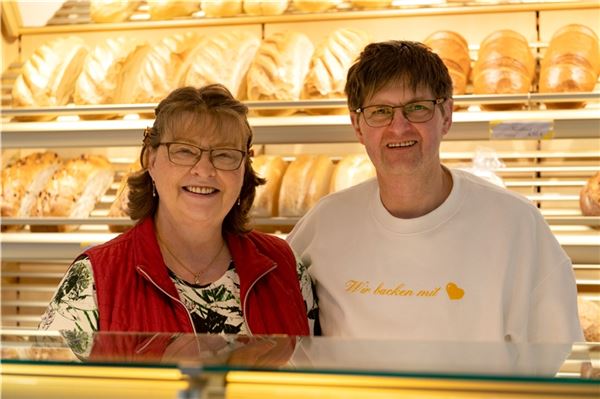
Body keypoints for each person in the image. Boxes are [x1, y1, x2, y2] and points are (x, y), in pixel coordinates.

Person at [287, 41, 583, 343]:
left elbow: (560, 360)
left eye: (417, 108)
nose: (398, 127)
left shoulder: (518, 226)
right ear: (358, 126)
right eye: (380, 111)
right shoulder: (324, 224)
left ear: (447, 115)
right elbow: (284, 349)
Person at [40, 84, 316, 335]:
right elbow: (50, 385)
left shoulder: (285, 267)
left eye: (224, 154)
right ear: (151, 158)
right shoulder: (95, 278)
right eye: (184, 151)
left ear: (244, 168)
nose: (204, 170)